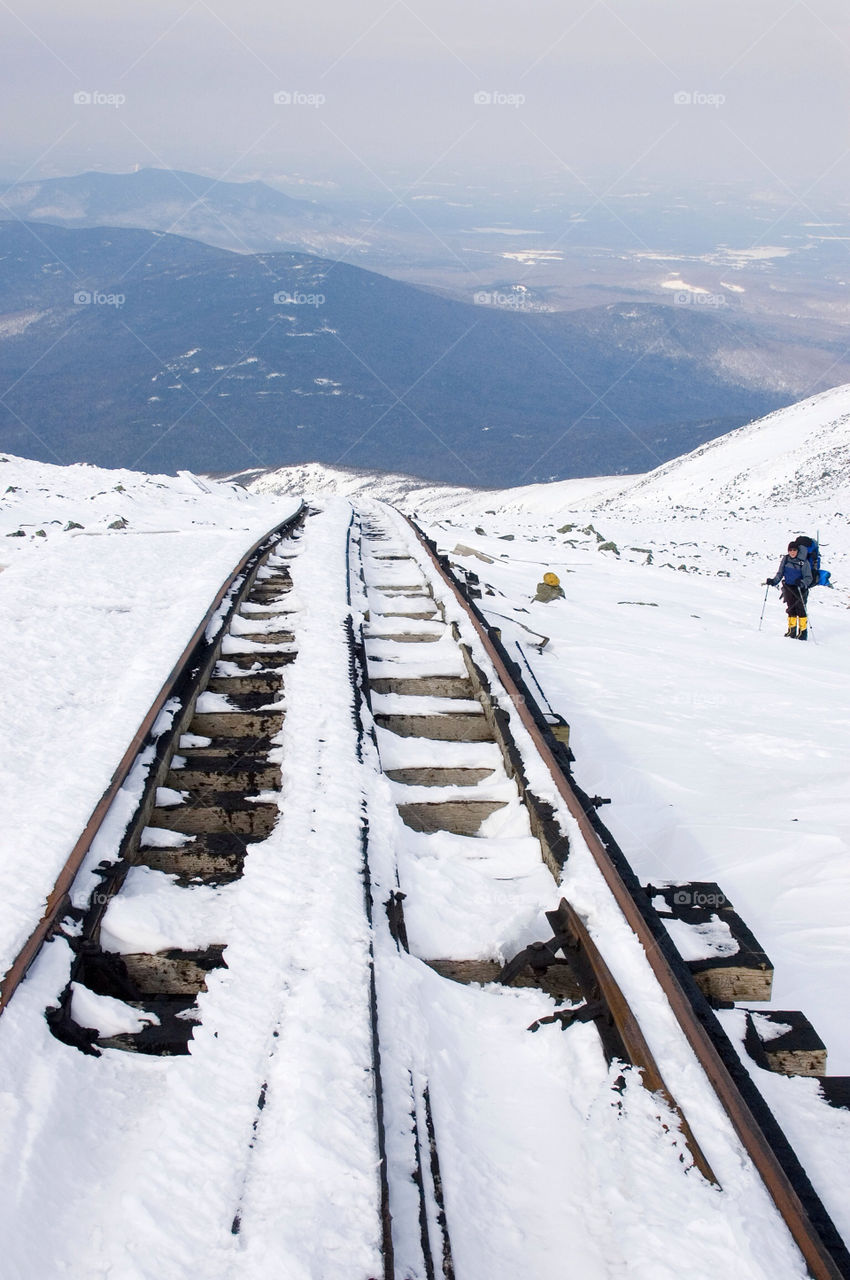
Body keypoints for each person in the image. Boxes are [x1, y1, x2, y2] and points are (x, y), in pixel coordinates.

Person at [765, 541, 813, 639]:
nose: (792, 552)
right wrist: (773, 581)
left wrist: (802, 583)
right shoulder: (786, 559)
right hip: (788, 588)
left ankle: (803, 633)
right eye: (790, 550)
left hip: (800, 589)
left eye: (794, 550)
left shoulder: (804, 562)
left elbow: (809, 578)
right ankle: (792, 631)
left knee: (801, 610)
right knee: (791, 609)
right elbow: (780, 573)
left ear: (797, 551)